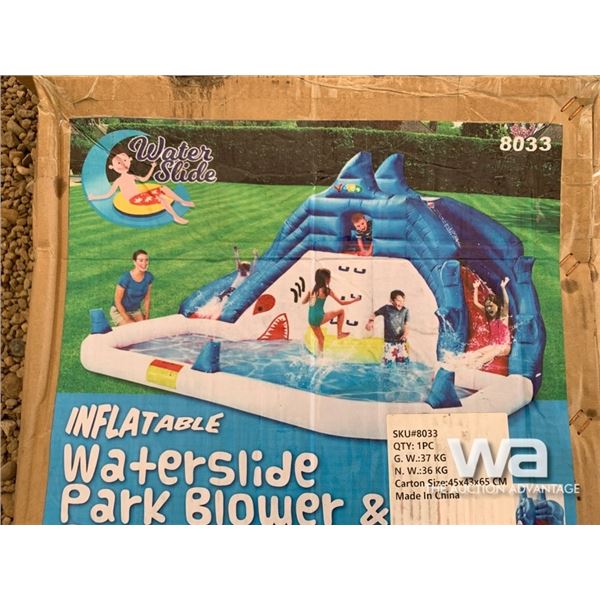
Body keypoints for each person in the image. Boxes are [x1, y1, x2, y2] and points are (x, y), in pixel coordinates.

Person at [88, 151, 194, 225]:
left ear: (129, 161)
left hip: (140, 195)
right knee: (161, 198)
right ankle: (176, 217)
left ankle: (182, 201)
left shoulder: (131, 176)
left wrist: (152, 167)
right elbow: (108, 194)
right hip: (134, 199)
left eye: (125, 161)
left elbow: (144, 179)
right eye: (119, 163)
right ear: (112, 167)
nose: (123, 164)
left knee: (164, 188)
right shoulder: (118, 181)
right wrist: (94, 197)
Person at [445, 276, 511, 370]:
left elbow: (506, 303)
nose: (489, 308)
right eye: (487, 306)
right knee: (476, 353)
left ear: (497, 306)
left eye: (491, 306)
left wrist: (503, 287)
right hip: (494, 345)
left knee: (490, 354)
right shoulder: (489, 316)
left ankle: (473, 367)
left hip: (504, 347)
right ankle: (458, 363)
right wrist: (476, 288)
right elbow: (476, 303)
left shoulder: (503, 316)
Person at [302, 268, 361, 354]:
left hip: (311, 319)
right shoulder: (326, 290)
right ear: (326, 279)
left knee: (321, 339)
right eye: (329, 277)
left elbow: (303, 302)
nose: (330, 279)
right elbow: (341, 302)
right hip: (319, 317)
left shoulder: (312, 290)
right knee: (341, 311)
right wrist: (355, 300)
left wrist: (310, 297)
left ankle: (319, 357)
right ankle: (339, 333)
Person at [110, 249, 153, 326]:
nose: (144, 263)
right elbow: (117, 301)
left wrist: (147, 317)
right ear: (134, 262)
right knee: (132, 328)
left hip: (135, 310)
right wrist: (128, 319)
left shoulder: (149, 277)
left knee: (145, 327)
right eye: (141, 260)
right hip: (119, 311)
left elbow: (147, 299)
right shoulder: (125, 278)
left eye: (146, 260)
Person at [366, 290, 410, 365]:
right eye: (398, 301)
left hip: (401, 342)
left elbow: (406, 325)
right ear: (391, 301)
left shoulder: (405, 311)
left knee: (404, 363)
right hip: (389, 342)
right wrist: (371, 321)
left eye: (403, 301)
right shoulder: (386, 308)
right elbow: (374, 314)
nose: (401, 303)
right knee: (388, 364)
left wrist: (405, 334)